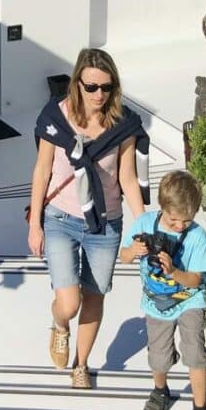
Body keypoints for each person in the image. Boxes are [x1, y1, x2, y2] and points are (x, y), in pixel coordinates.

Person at [27, 48, 147, 389]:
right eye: (91, 87)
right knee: (70, 301)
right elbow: (42, 171)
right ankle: (60, 325)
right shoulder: (56, 117)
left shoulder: (123, 124)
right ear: (77, 83)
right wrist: (35, 224)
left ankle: (82, 364)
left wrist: (142, 225)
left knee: (94, 296)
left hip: (105, 223)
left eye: (106, 88)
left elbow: (126, 178)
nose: (99, 95)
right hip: (60, 218)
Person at [119, 169, 206, 410]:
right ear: (162, 208)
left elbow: (197, 279)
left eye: (187, 220)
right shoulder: (146, 224)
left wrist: (173, 271)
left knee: (196, 352)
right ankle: (161, 391)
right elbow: (124, 257)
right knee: (158, 359)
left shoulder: (197, 237)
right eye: (174, 220)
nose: (180, 226)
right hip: (155, 304)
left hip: (189, 299)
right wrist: (133, 252)